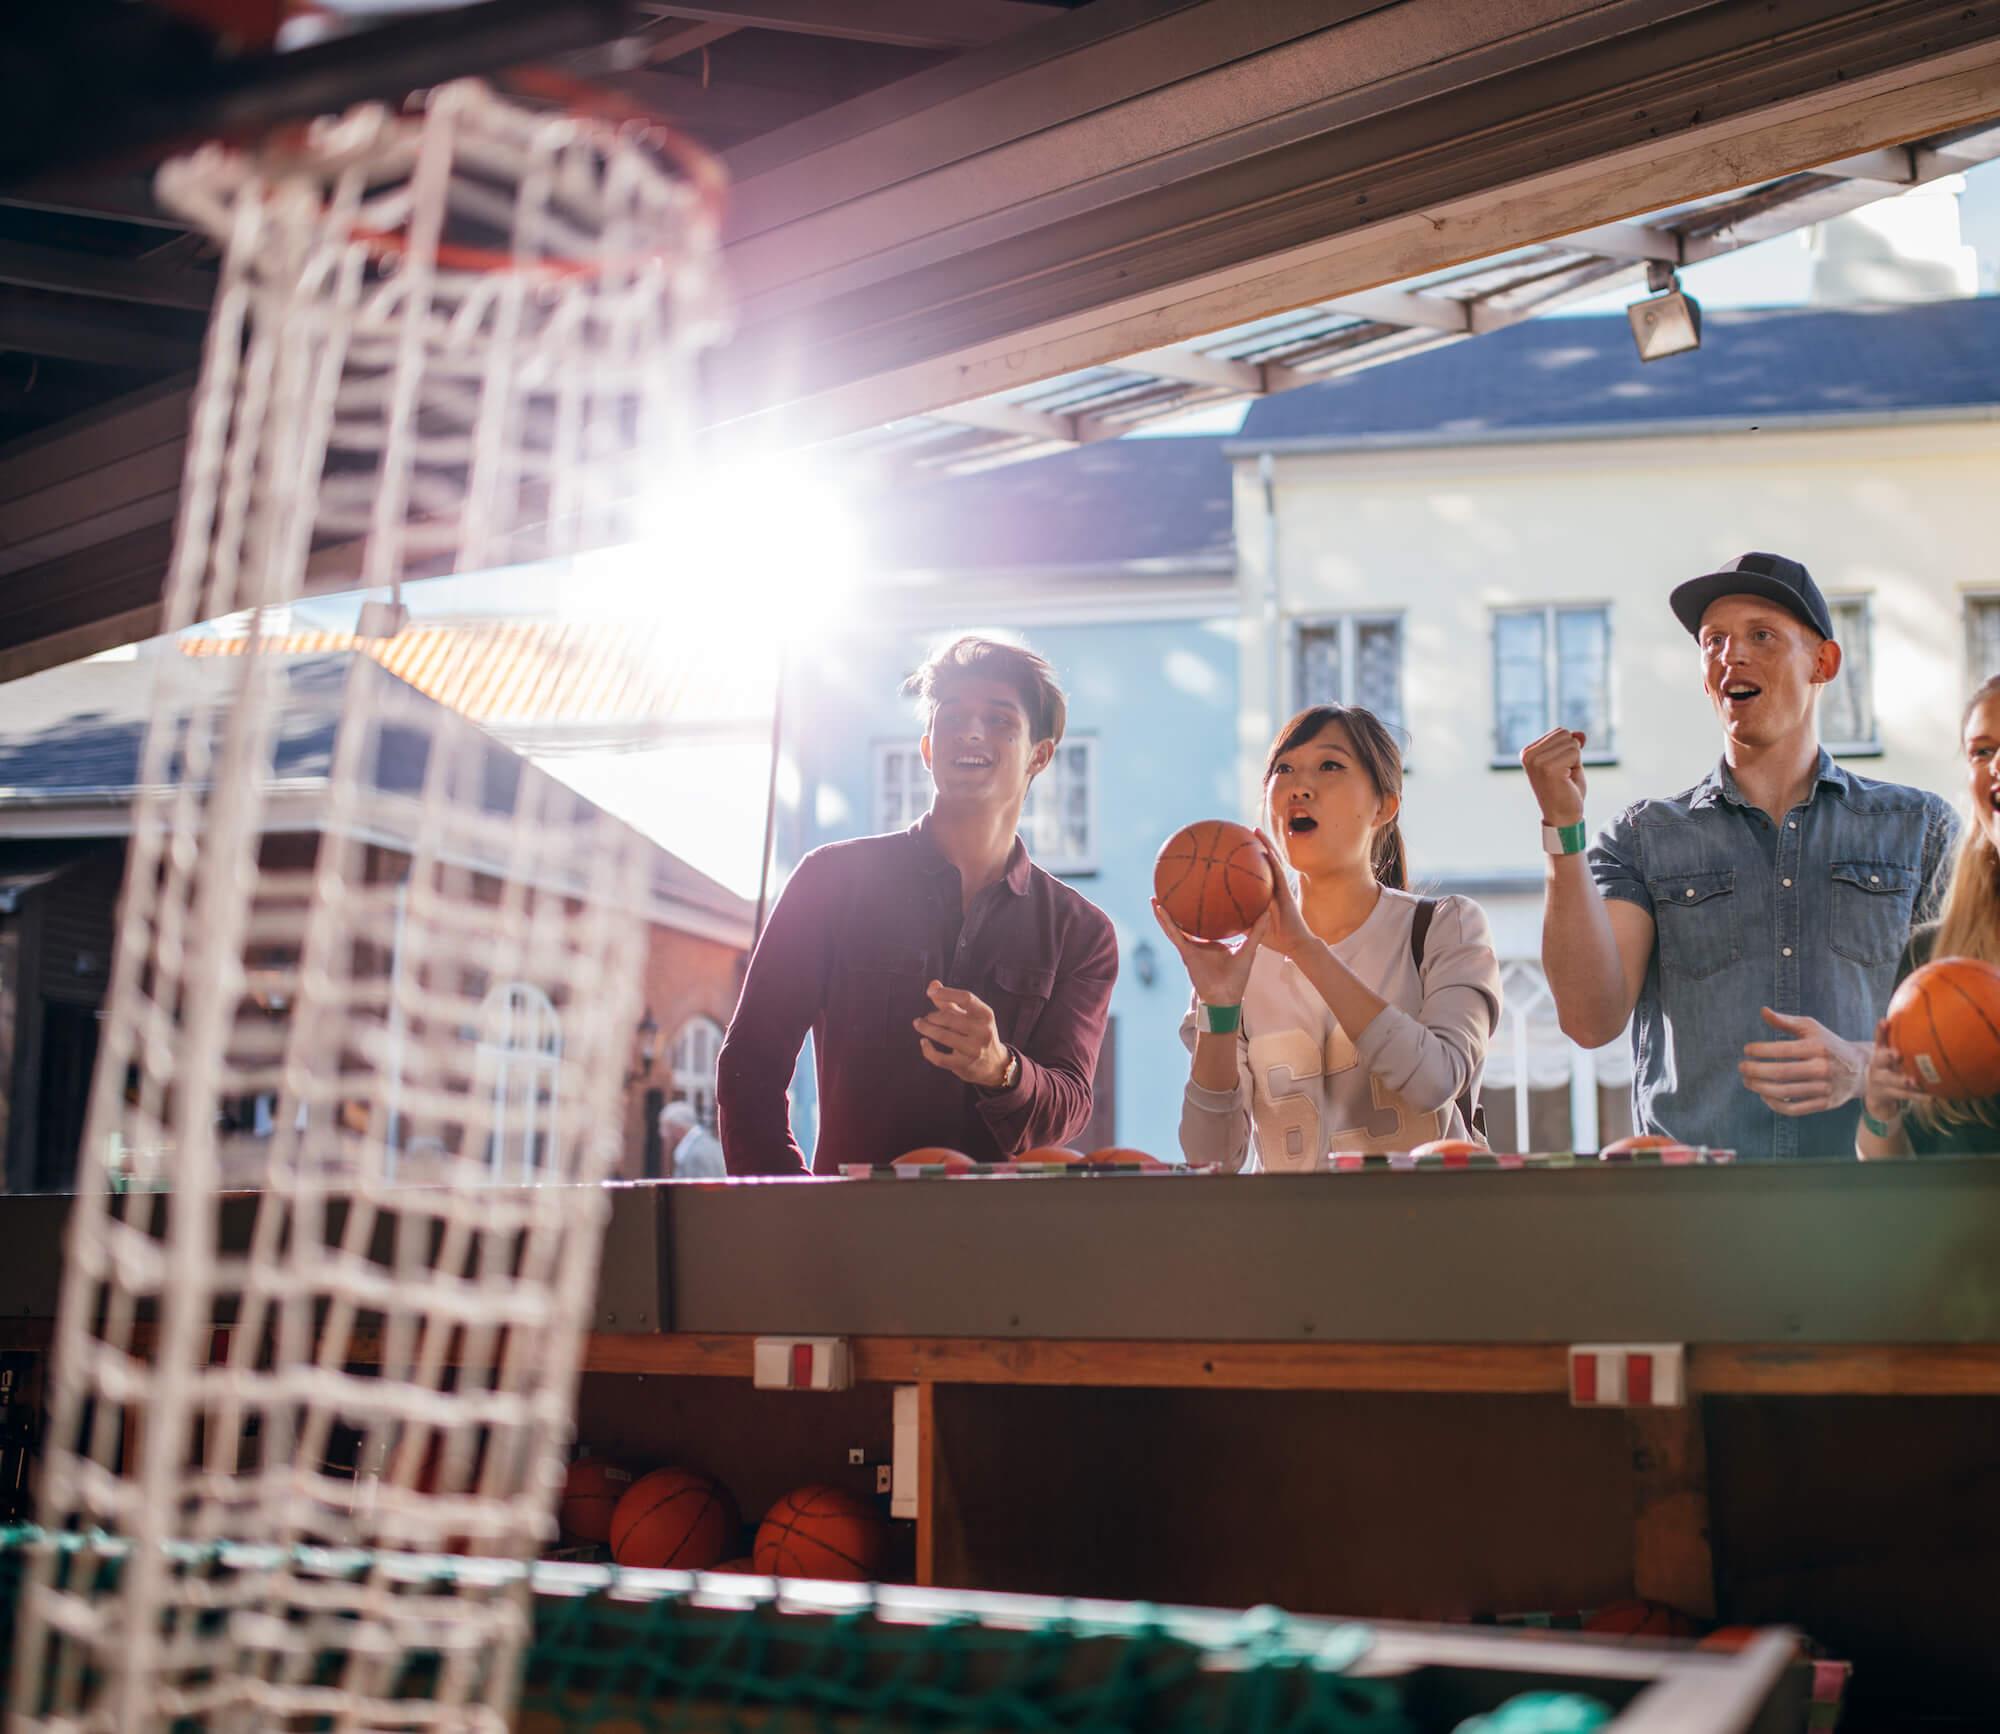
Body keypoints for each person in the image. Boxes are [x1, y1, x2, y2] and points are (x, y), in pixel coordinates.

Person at [1522, 552, 1957, 1158]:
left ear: (1824, 663)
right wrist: (1562, 829)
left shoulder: (1919, 828)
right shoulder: (1643, 837)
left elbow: (1967, 1040)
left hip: (1869, 1194)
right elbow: (1590, 1020)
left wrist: (1861, 1067)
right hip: (1693, 1201)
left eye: (1762, 635)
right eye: (1714, 641)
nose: (1732, 655)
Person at [717, 637, 1117, 1174]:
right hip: (851, 1221)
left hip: (1006, 1225)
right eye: (953, 717)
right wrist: (789, 1203)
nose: (971, 731)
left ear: (1039, 755)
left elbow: (1067, 1108)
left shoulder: (1082, 933)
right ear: (928, 749)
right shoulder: (829, 881)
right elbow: (750, 1065)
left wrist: (1000, 1068)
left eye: (1000, 720)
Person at [1159, 705, 1500, 1168]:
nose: (1299, 786)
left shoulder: (1446, 926)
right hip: (1286, 1218)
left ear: (1385, 806)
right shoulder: (1238, 968)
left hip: (1425, 1215)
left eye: (1330, 765)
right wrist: (1218, 1007)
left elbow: (1435, 1081)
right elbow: (1212, 1156)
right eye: (1284, 769)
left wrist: (1305, 950)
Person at [1859, 675, 2000, 1157]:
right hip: (1956, 1211)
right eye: (1982, 751)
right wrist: (1880, 1110)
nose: (1996, 764)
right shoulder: (1929, 960)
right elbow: (1891, 1173)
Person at [657, 1099, 726, 1178]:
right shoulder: (704, 1145)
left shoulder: (697, 1153)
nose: (662, 1134)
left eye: (665, 1128)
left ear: (678, 1128)